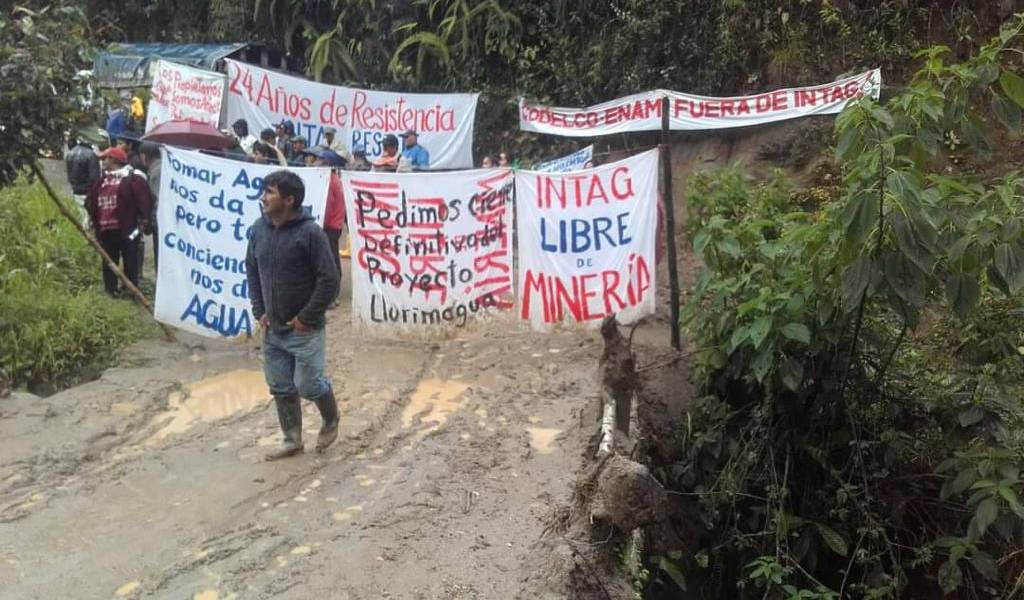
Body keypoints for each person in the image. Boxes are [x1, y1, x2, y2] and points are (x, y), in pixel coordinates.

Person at [245, 171, 340, 460]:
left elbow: (330, 280)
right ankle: (292, 440)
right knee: (280, 386)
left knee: (308, 385)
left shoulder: (311, 233)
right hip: (273, 329)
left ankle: (331, 418)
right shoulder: (258, 229)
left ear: (289, 200)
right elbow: (252, 268)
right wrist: (259, 309)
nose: (263, 197)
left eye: (270, 192)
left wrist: (306, 317)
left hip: (304, 330)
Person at [85, 147, 152, 296]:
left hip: (128, 229)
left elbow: (144, 202)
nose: (102, 162)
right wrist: (92, 219)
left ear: (114, 160)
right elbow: (91, 202)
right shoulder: (102, 181)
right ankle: (111, 289)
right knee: (109, 260)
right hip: (106, 229)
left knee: (130, 259)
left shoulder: (134, 179)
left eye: (105, 159)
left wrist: (143, 224)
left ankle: (130, 290)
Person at [138, 142, 162, 272]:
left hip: (160, 222)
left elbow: (159, 199)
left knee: (160, 255)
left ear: (145, 155)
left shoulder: (157, 172)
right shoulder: (158, 169)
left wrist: (152, 220)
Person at [65, 138, 100, 225]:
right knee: (88, 217)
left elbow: (69, 173)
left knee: (80, 215)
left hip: (76, 190)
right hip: (88, 191)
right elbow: (94, 176)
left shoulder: (70, 153)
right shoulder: (91, 155)